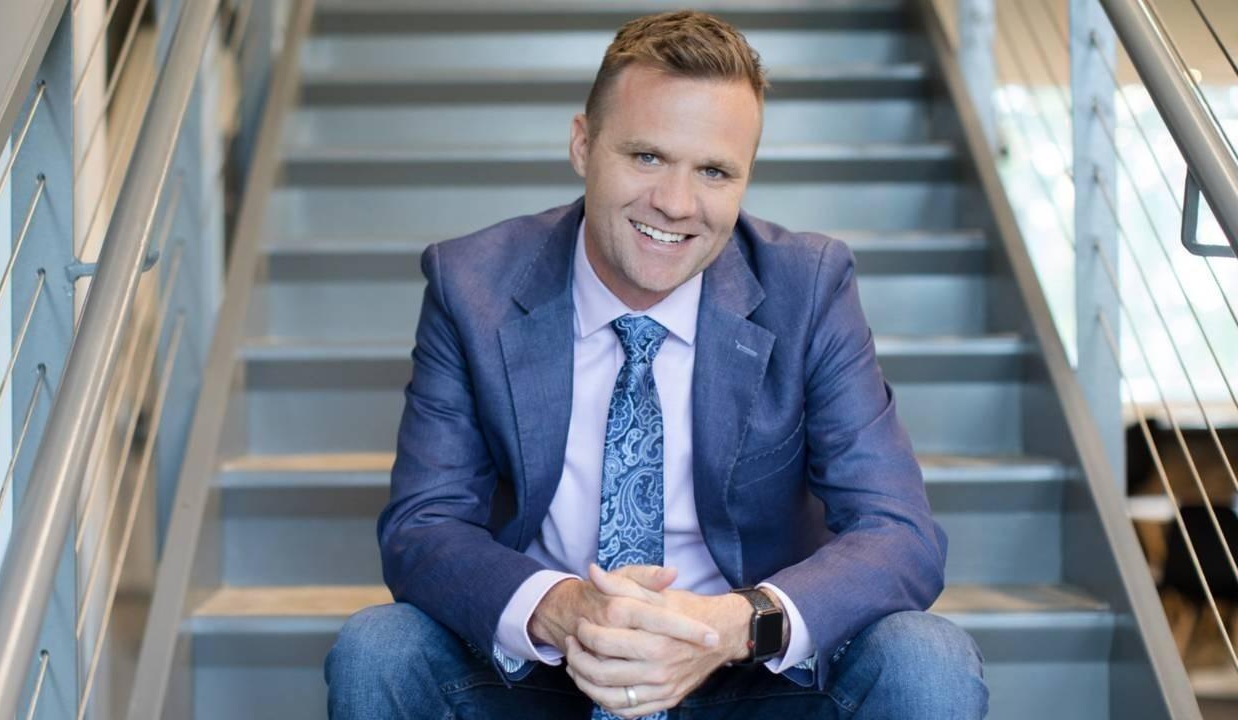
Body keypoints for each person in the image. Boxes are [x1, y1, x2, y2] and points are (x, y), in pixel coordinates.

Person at [325, 10, 988, 719]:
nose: (675, 204)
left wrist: (736, 625)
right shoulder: (472, 286)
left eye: (714, 171)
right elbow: (424, 525)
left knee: (927, 658)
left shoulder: (808, 289)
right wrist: (562, 610)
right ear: (584, 144)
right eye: (646, 157)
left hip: (747, 674)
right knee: (379, 648)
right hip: (550, 672)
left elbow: (899, 533)